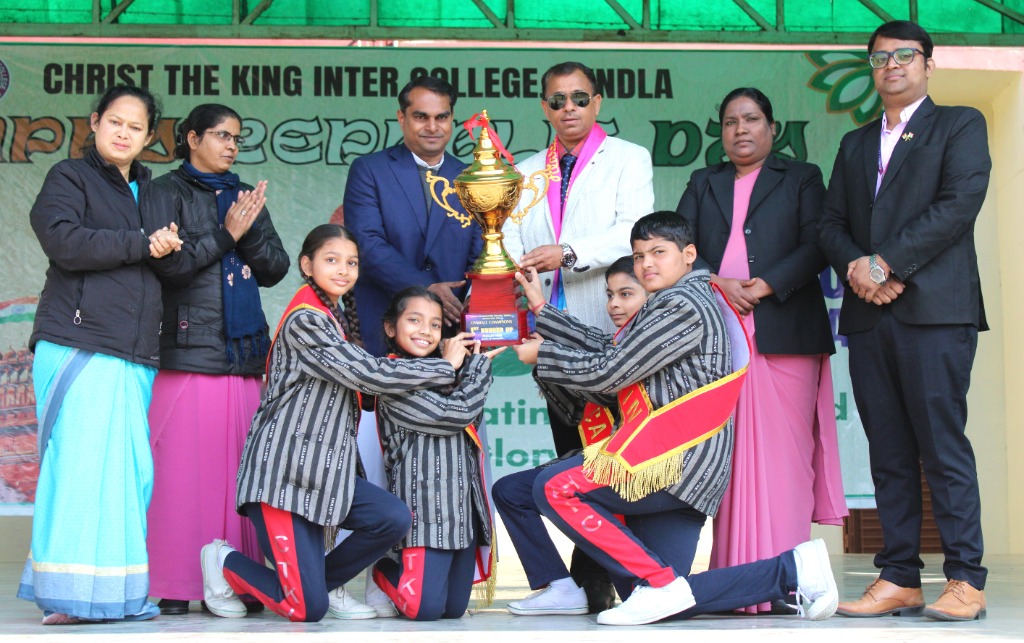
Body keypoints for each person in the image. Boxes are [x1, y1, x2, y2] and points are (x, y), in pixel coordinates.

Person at [501, 211, 838, 626]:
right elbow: (610, 347)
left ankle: (653, 583)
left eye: (658, 252)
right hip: (673, 463)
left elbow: (611, 371)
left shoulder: (681, 304)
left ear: (688, 254)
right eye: (639, 255)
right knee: (651, 597)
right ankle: (794, 571)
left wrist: (545, 355)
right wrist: (541, 309)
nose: (646, 264)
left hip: (673, 462)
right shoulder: (679, 299)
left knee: (556, 488)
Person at [199, 224, 475, 623]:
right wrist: (444, 367)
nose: (344, 270)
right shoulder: (306, 320)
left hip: (325, 475)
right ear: (306, 265)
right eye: (332, 260)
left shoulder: (332, 317)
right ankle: (223, 560)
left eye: (352, 263)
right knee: (306, 609)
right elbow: (367, 374)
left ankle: (321, 584)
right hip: (283, 477)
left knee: (391, 518)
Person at [819, 20, 991, 622]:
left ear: (928, 64)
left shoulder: (959, 124)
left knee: (941, 446)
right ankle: (898, 577)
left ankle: (966, 579)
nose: (891, 65)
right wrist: (858, 267)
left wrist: (885, 262)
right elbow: (829, 223)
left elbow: (958, 204)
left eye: (904, 55)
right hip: (870, 316)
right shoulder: (855, 144)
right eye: (880, 58)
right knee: (888, 452)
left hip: (936, 313)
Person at [676, 87, 847, 613]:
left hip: (784, 329)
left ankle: (789, 579)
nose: (741, 130)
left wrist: (766, 284)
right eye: (730, 122)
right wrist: (717, 282)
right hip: (719, 331)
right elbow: (679, 245)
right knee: (734, 462)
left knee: (785, 461)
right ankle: (738, 583)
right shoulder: (704, 181)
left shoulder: (801, 177)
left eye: (751, 119)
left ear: (772, 128)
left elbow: (818, 243)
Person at [18, 84, 185, 625]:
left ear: (148, 137)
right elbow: (64, 241)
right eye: (115, 122)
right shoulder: (70, 177)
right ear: (94, 122)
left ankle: (117, 596)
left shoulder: (152, 191)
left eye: (136, 127)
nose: (123, 133)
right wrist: (142, 243)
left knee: (128, 478)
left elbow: (170, 264)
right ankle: (68, 599)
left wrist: (187, 245)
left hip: (134, 352)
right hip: (79, 343)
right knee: (81, 473)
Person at [501, 60, 654, 611]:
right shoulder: (523, 172)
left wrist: (567, 253)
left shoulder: (629, 158)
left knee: (611, 462)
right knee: (571, 455)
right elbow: (508, 237)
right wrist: (512, 268)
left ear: (598, 102)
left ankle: (613, 578)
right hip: (551, 339)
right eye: (558, 100)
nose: (569, 108)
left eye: (579, 98)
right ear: (544, 107)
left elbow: (633, 231)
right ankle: (590, 583)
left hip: (610, 333)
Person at [144, 103, 290, 615]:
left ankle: (239, 579)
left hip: (244, 355)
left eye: (237, 138)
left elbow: (275, 268)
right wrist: (227, 233)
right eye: (222, 136)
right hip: (188, 353)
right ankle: (177, 583)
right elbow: (171, 268)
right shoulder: (165, 192)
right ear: (191, 138)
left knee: (239, 477)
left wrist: (245, 228)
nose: (231, 146)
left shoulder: (244, 197)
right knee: (182, 478)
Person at [493, 256, 647, 614]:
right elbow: (593, 346)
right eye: (610, 295)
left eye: (626, 294)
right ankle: (560, 585)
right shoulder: (614, 338)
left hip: (646, 480)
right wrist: (538, 309)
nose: (614, 305)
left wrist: (547, 354)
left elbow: (608, 380)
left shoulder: (649, 341)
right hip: (605, 470)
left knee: (651, 593)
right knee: (511, 490)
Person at [369, 287, 503, 621]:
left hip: (461, 515)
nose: (425, 331)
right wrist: (477, 369)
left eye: (435, 324)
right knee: (424, 609)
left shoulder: (452, 374)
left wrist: (467, 366)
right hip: (425, 515)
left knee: (453, 610)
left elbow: (468, 414)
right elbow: (454, 414)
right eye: (414, 320)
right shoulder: (393, 378)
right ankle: (384, 568)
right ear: (390, 327)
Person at [344, 75, 483, 357]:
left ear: (452, 119)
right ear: (401, 118)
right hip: (386, 325)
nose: (432, 127)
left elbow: (480, 254)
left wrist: (473, 301)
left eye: (441, 117)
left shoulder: (471, 178)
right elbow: (366, 244)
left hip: (453, 329)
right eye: (421, 117)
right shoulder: (370, 170)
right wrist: (426, 288)